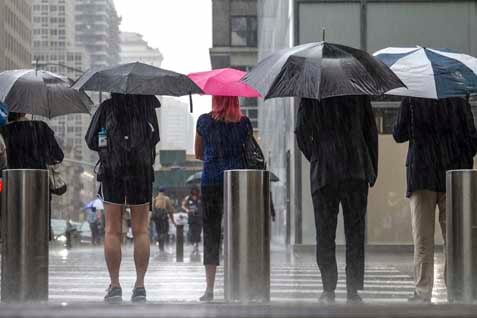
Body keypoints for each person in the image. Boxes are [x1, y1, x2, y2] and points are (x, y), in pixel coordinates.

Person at [295, 96, 378, 304]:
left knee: (325, 233)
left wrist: (317, 155)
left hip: (325, 173)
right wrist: (372, 169)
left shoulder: (312, 94)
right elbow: (371, 133)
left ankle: (328, 288)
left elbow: (301, 133)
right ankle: (353, 289)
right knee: (355, 233)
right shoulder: (358, 94)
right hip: (355, 169)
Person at [393, 96, 477, 303]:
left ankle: (423, 291)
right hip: (453, 177)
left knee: (423, 240)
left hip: (422, 174)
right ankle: (457, 288)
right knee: (455, 239)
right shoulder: (458, 98)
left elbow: (398, 134)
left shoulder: (413, 97)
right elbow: (472, 143)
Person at [85, 93, 160, 303]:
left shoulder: (107, 107)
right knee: (141, 230)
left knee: (112, 230)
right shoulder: (147, 108)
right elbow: (155, 138)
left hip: (112, 171)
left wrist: (111, 145)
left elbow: (91, 140)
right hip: (141, 173)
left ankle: (115, 285)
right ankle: (140, 287)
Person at [195, 95, 252, 301]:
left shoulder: (204, 121)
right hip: (237, 180)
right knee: (237, 233)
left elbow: (198, 153)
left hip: (211, 180)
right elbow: (248, 151)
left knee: (211, 232)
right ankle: (237, 285)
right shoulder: (244, 123)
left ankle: (209, 288)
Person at [0, 112, 64, 241]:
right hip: (39, 187)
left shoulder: (4, 131)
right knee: (38, 231)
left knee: (13, 231)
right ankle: (37, 256)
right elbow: (58, 156)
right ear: (23, 111)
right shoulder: (41, 127)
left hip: (11, 189)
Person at [152, 188, 176, 252]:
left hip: (157, 219)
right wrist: (173, 221)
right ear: (164, 192)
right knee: (164, 232)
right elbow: (171, 210)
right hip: (164, 218)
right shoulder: (166, 198)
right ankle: (161, 246)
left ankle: (160, 246)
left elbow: (152, 210)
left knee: (159, 232)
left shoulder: (155, 199)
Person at [182, 187, 202, 253]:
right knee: (192, 232)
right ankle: (194, 245)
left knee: (198, 232)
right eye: (193, 190)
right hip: (191, 218)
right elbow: (183, 205)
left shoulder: (200, 197)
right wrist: (187, 210)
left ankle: (196, 245)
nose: (194, 192)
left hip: (199, 218)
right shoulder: (188, 198)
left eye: (195, 190)